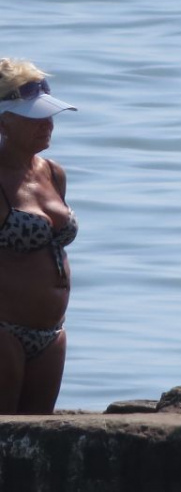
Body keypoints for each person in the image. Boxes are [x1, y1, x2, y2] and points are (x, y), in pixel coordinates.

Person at [0, 58, 78, 414]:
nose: (47, 125)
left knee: (37, 438)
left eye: (49, 116)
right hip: (4, 331)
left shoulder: (53, 173)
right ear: (4, 121)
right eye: (34, 117)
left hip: (51, 334)